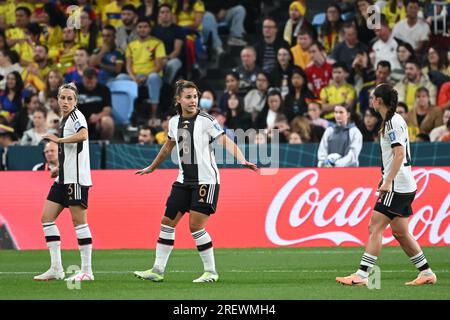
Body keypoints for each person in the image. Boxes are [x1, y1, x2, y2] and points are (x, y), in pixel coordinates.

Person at [133, 80, 257, 283]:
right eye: (188, 97)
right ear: (178, 99)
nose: (193, 101)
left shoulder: (207, 120)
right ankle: (157, 270)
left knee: (195, 226)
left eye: (195, 97)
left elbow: (225, 140)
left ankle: (211, 272)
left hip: (206, 182)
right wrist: (152, 167)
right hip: (183, 180)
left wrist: (242, 160)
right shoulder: (174, 122)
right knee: (167, 222)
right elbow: (167, 147)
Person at [336, 83, 437, 286]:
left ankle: (362, 275)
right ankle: (426, 272)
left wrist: (388, 181)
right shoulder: (393, 120)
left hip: (397, 185)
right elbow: (396, 155)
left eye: (373, 97)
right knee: (400, 232)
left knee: (374, 227)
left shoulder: (392, 122)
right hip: (403, 183)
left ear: (379, 101)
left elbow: (399, 154)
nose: (371, 100)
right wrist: (385, 176)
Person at [34, 83, 94, 282]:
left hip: (76, 179)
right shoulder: (65, 119)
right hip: (64, 178)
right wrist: (59, 169)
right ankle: (56, 268)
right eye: (63, 98)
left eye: (70, 98)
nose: (66, 101)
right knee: (46, 218)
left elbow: (83, 135)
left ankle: (87, 270)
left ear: (75, 101)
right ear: (57, 99)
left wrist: (57, 140)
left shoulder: (77, 116)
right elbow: (72, 152)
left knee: (79, 222)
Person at [77, 68, 115, 140]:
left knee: (108, 122)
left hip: (98, 120)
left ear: (96, 79)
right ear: (83, 79)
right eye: (87, 83)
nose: (89, 85)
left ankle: (104, 145)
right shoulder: (76, 89)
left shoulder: (104, 89)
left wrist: (98, 116)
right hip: (79, 120)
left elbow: (108, 109)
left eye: (92, 83)